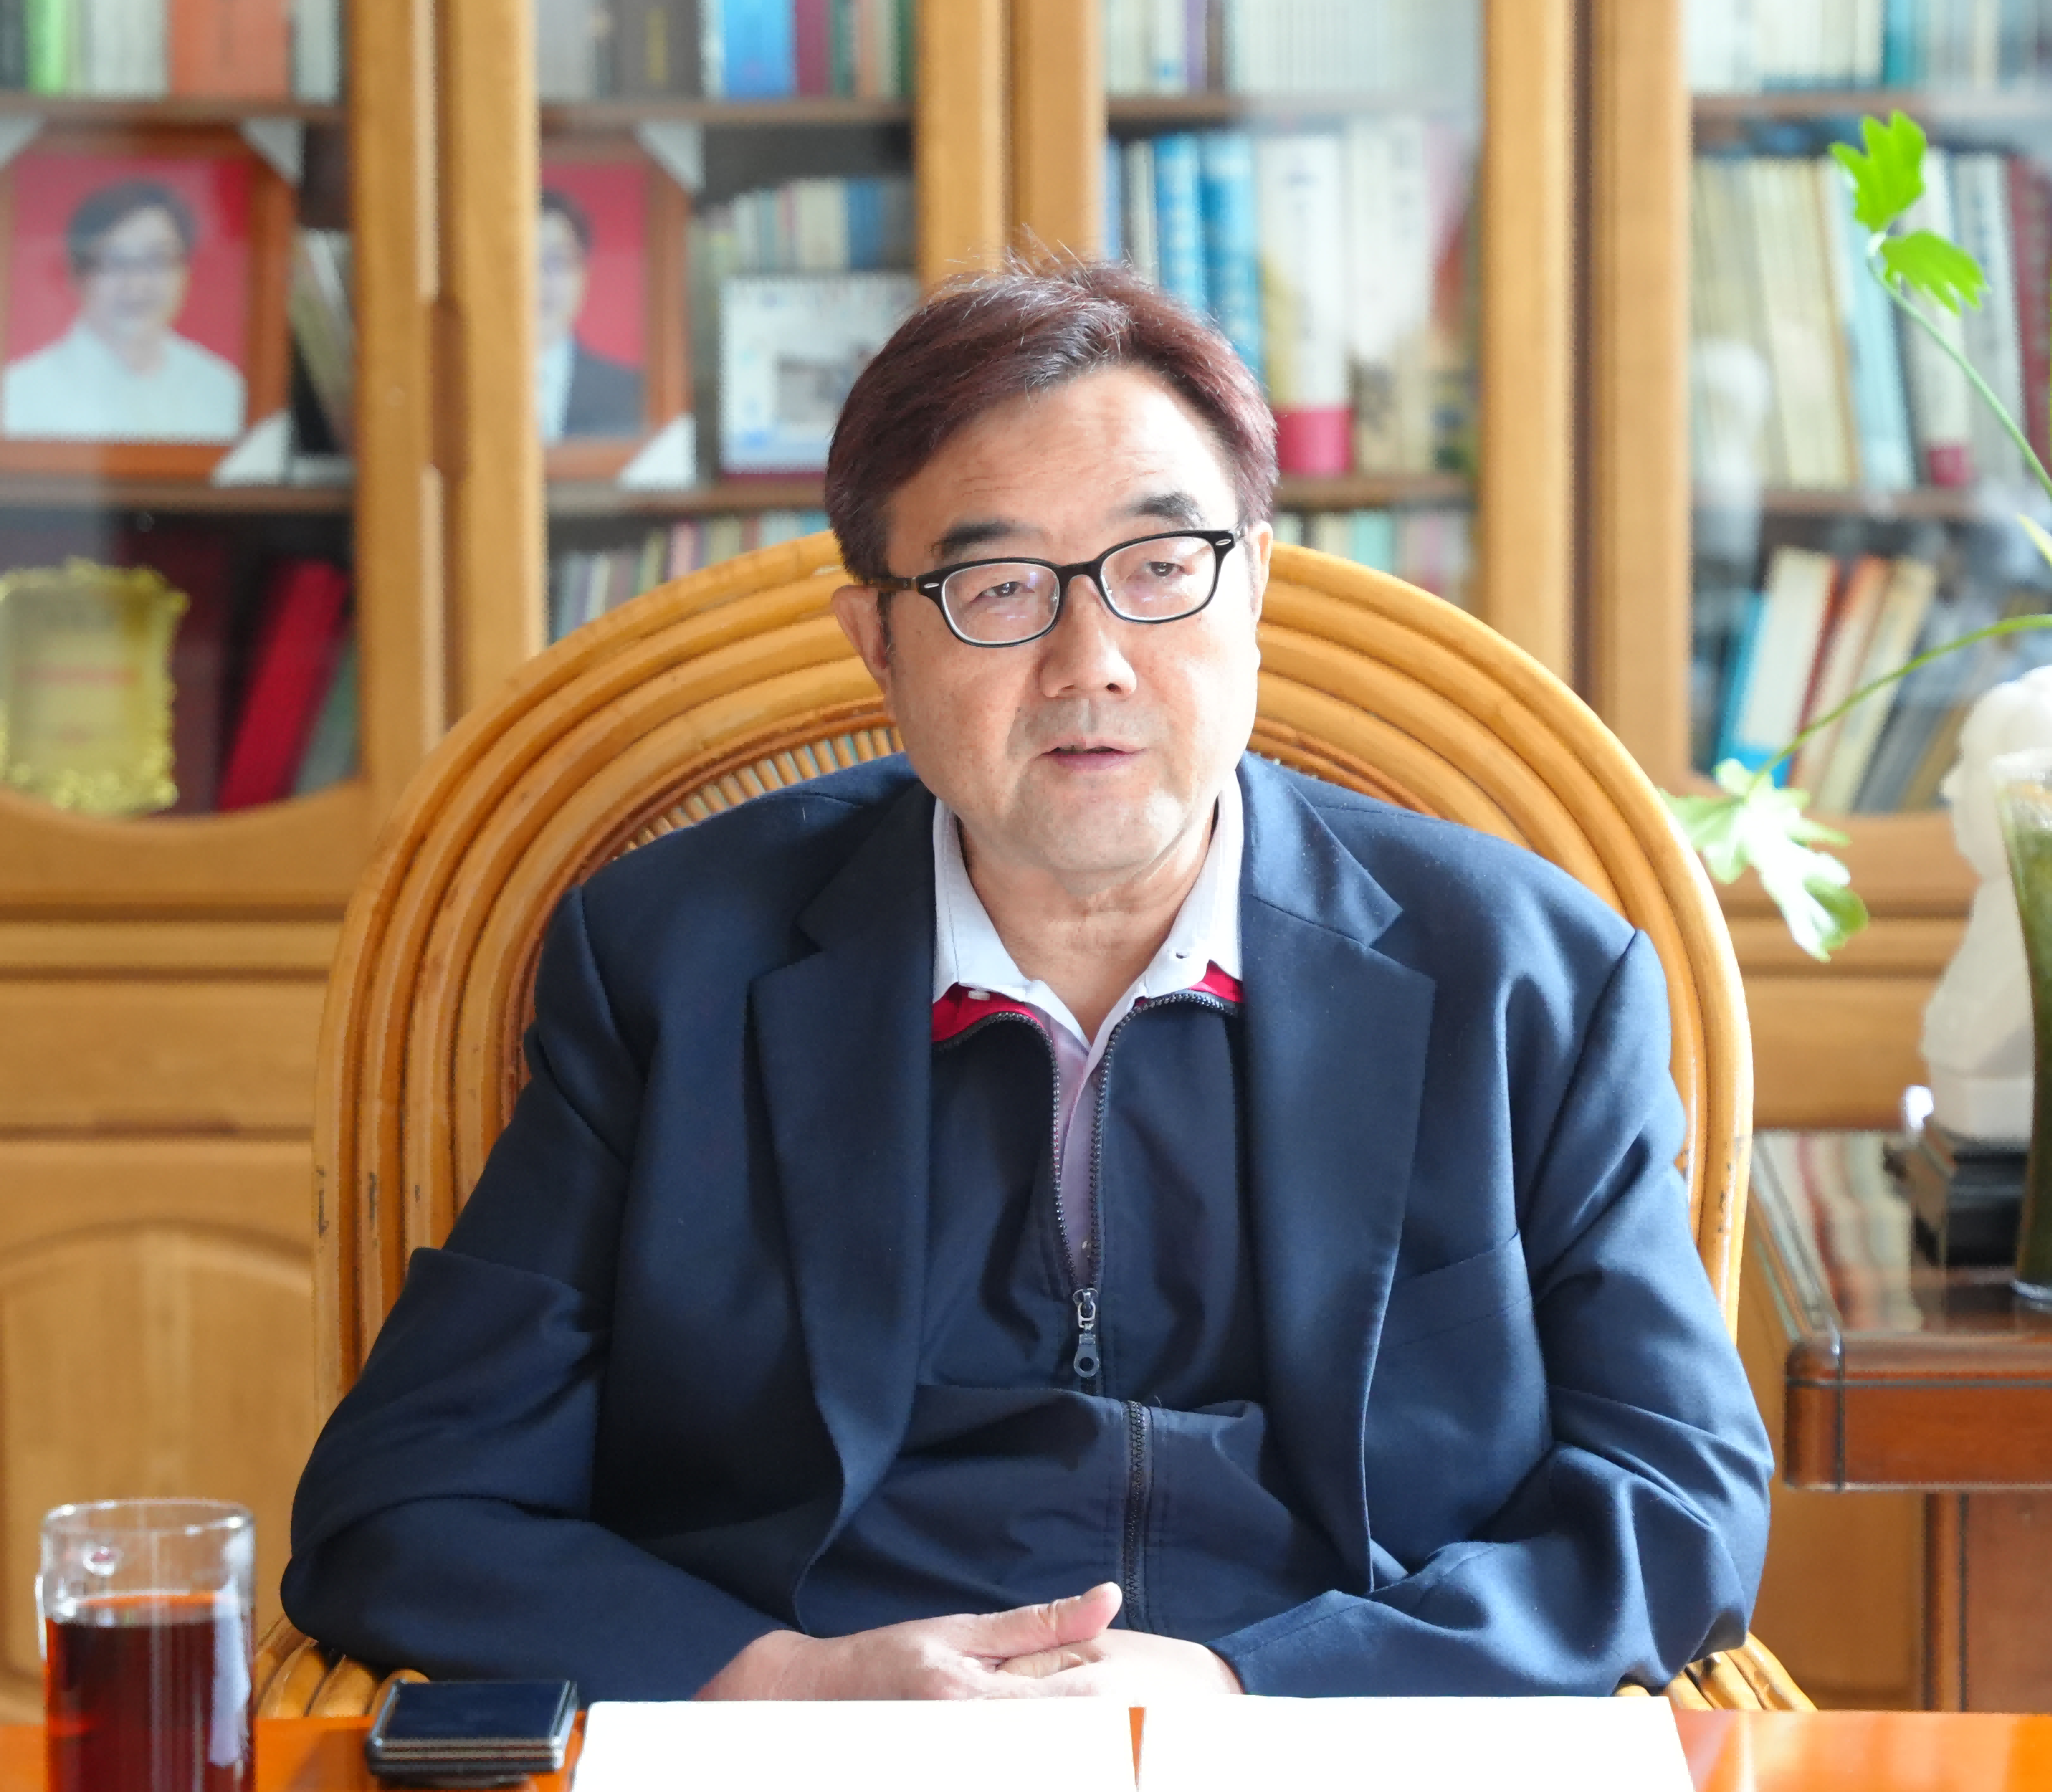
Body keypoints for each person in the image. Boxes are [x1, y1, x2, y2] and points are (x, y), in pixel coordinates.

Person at [283, 261, 1772, 1702]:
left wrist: (1253, 1690)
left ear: (1253, 585)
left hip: (1326, 1761)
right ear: (874, 639)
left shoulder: (1522, 978)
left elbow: (1679, 1499)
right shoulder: (673, 965)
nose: (1090, 662)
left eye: (1158, 569)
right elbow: (404, 1503)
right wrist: (783, 1687)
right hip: (823, 1785)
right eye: (996, 587)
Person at [0, 178, 250, 444]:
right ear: (77, 276)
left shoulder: (224, 392)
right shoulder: (17, 396)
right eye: (114, 262)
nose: (136, 285)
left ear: (186, 274)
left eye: (157, 260)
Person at [540, 187, 649, 442]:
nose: (537, 281)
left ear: (583, 275)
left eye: (555, 262)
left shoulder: (633, 394)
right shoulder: (458, 387)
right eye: (517, 262)